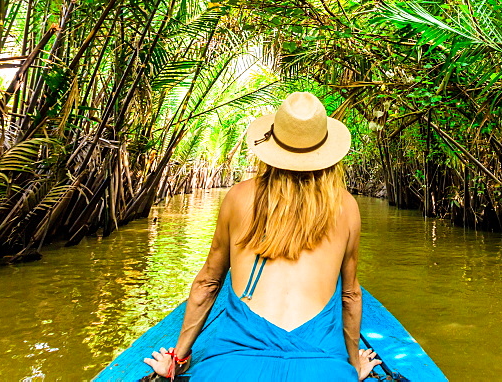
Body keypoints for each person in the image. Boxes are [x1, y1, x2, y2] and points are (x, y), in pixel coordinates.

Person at [143, 92, 382, 380]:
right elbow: (350, 295)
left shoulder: (238, 197)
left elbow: (208, 283)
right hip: (321, 369)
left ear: (271, 145)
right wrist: (352, 367)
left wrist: (177, 358)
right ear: (326, 153)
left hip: (230, 368)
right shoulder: (346, 206)